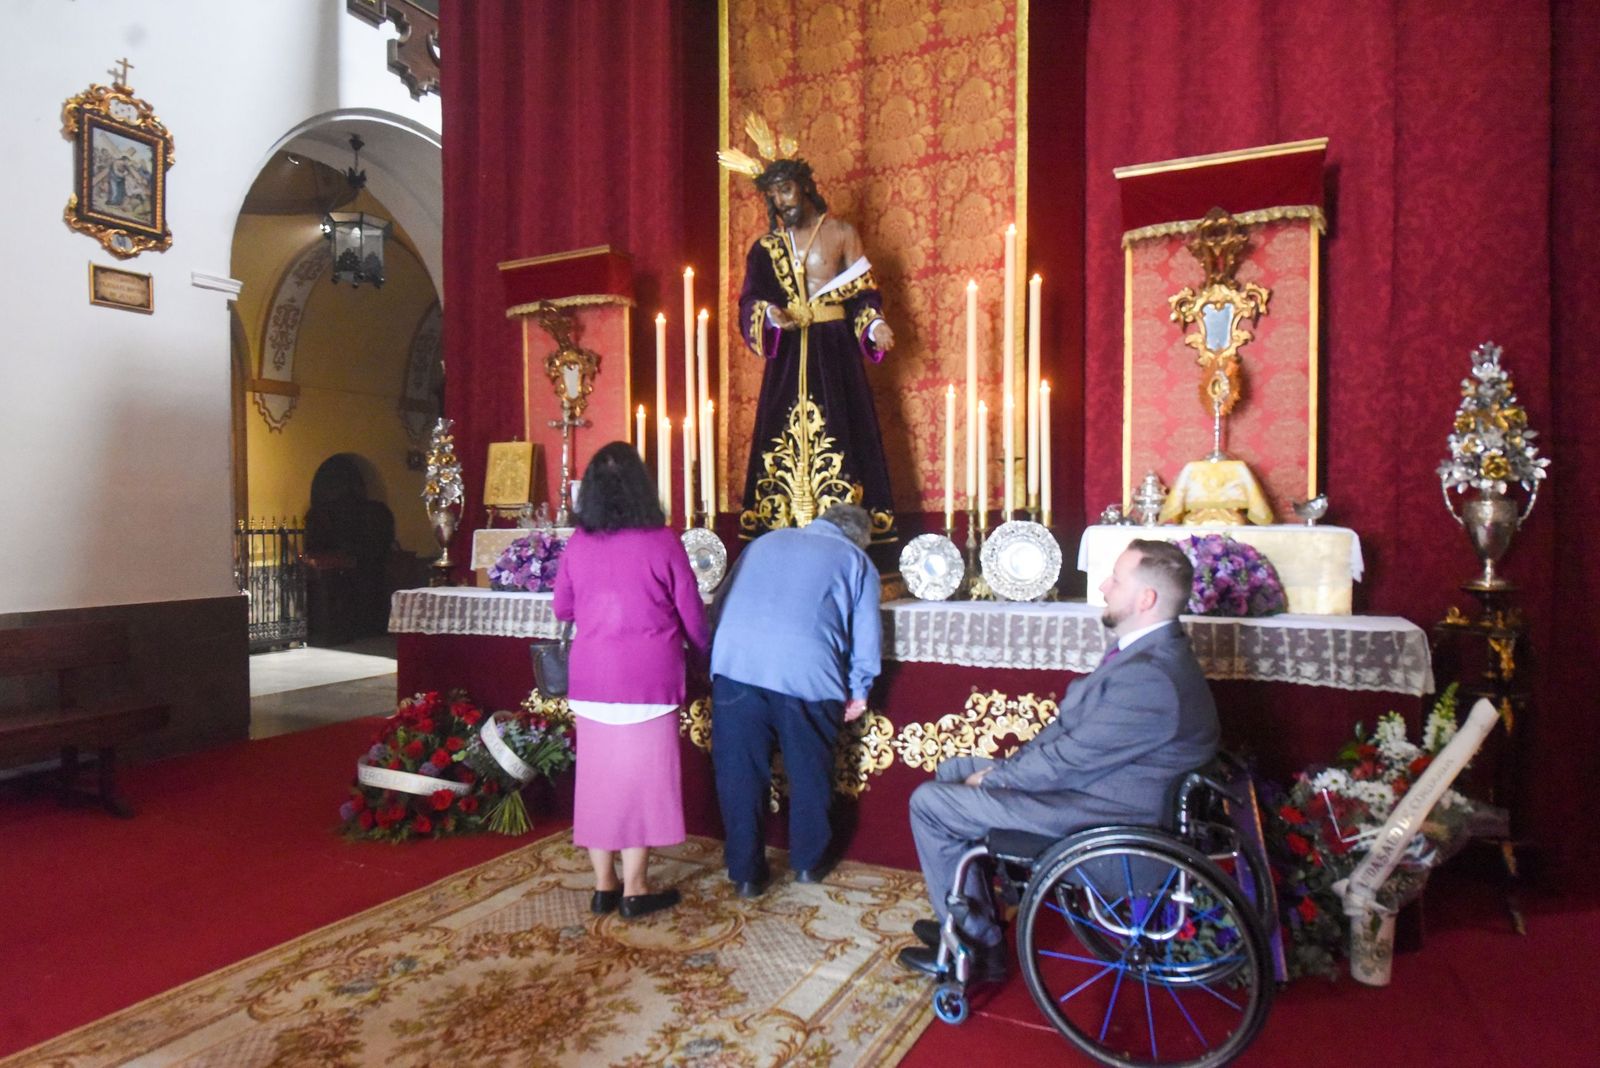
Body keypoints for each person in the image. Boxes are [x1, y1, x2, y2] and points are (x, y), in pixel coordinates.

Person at [898, 539, 1219, 982]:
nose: (1104, 585)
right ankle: (970, 919)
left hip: (1103, 818)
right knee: (954, 770)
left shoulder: (1151, 678)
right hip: (1096, 791)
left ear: (1146, 599)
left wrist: (996, 779)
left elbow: (1068, 760)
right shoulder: (1150, 655)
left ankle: (980, 948)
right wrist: (1002, 771)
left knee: (929, 802)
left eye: (1116, 579)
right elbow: (1071, 736)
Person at [552, 441, 710, 920]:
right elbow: (693, 619)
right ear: (643, 485)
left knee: (597, 786)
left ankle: (603, 886)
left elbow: (562, 608)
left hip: (593, 680)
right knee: (643, 786)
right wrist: (706, 654)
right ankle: (637, 888)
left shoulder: (578, 542)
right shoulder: (663, 540)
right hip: (649, 681)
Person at [720, 127, 897, 543]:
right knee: (779, 436)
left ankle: (849, 534)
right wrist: (769, 315)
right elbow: (749, 300)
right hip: (788, 357)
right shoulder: (765, 248)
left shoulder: (841, 233)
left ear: (803, 186)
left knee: (844, 430)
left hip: (835, 352)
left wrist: (875, 324)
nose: (782, 202)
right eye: (774, 195)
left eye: (786, 190)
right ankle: (779, 532)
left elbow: (861, 293)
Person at [709, 503, 882, 898]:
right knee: (809, 770)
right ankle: (807, 862)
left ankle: (746, 873)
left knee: (739, 772)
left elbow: (721, 604)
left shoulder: (765, 541)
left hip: (737, 664)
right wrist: (859, 690)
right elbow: (867, 638)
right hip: (807, 672)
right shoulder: (856, 560)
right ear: (860, 538)